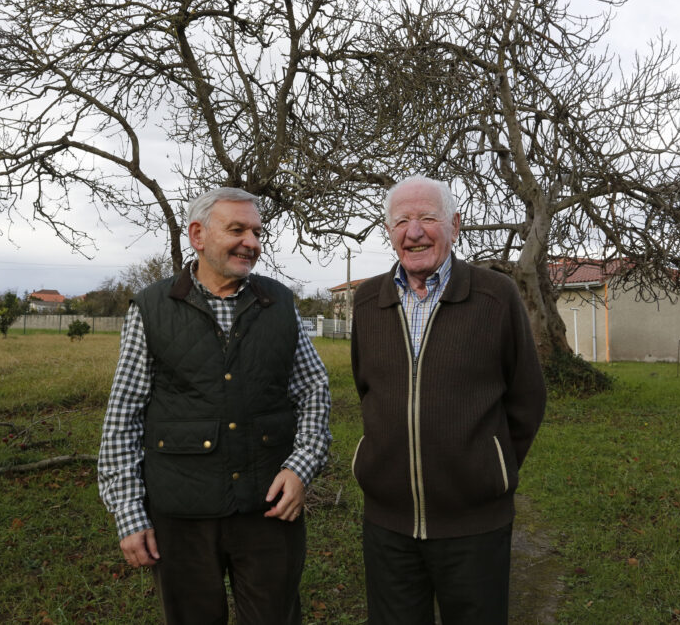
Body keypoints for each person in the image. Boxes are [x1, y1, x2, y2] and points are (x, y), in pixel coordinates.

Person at [98, 187, 332, 625]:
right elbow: (123, 414)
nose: (252, 242)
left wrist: (301, 467)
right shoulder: (152, 307)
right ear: (198, 235)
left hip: (268, 507)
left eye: (257, 232)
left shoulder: (279, 303)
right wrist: (129, 513)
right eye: (238, 229)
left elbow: (314, 390)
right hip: (180, 513)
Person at [350, 175, 546, 625]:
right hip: (387, 524)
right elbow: (366, 387)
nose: (413, 231)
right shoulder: (366, 302)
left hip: (475, 526)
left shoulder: (496, 296)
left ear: (455, 225)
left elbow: (527, 398)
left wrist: (486, 466)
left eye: (427, 218)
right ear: (389, 231)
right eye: (401, 220)